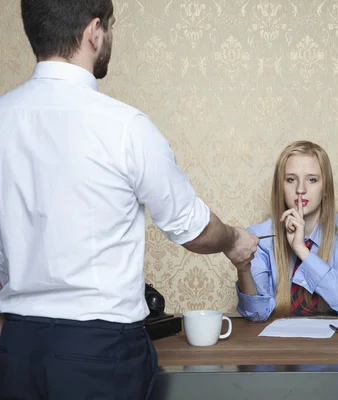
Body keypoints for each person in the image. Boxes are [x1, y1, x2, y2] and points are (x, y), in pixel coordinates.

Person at [0, 1, 258, 399]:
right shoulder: (125, 127)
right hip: (98, 354)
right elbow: (193, 229)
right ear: (94, 31)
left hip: (15, 349)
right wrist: (233, 240)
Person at [234, 140, 338, 322]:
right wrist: (243, 269)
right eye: (291, 179)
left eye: (312, 180)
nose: (300, 190)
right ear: (280, 187)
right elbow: (258, 314)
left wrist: (301, 250)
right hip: (278, 345)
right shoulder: (259, 237)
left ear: (326, 187)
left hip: (335, 345)